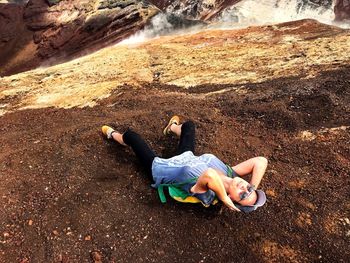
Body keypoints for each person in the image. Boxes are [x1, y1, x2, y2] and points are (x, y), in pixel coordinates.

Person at [101, 116, 267, 213]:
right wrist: (252, 186)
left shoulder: (207, 194)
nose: (244, 189)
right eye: (248, 189)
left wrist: (223, 197)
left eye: (243, 195)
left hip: (160, 167)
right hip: (185, 156)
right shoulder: (231, 173)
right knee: (188, 125)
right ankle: (172, 127)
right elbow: (260, 161)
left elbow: (209, 174)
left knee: (132, 136)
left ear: (231, 199)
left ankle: (115, 136)